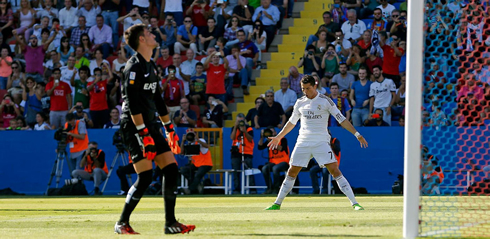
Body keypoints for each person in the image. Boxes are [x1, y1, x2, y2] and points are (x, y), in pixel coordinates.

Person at [114, 23, 195, 235]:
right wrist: (143, 133)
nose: (153, 35)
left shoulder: (150, 65)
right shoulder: (132, 68)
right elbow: (132, 104)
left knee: (170, 168)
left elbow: (158, 100)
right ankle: (122, 222)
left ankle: (170, 223)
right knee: (146, 176)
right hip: (133, 126)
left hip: (149, 124)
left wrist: (169, 129)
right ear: (142, 39)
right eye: (149, 33)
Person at [264, 75, 368, 211]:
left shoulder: (326, 101)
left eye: (308, 88)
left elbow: (341, 119)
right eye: (303, 89)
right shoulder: (300, 102)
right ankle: (277, 203)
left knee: (335, 171)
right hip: (303, 141)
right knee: (291, 172)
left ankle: (355, 203)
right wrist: (279, 136)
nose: (305, 91)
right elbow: (291, 122)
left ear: (315, 86)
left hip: (321, 142)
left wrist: (357, 134)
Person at [179, 129, 213, 195]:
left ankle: (190, 190)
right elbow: (181, 152)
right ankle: (197, 185)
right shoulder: (190, 143)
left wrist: (198, 140)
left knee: (197, 175)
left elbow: (207, 146)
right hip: (196, 164)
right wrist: (183, 141)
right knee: (184, 170)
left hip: (206, 164)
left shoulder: (201, 140)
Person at [258, 127, 290, 194]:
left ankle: (276, 188)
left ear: (275, 132)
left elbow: (281, 148)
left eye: (272, 132)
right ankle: (269, 188)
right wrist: (262, 136)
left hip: (284, 161)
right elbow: (260, 147)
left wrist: (273, 142)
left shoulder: (283, 139)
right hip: (273, 162)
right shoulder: (268, 141)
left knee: (275, 168)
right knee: (264, 168)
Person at [230, 113, 255, 194]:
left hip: (247, 152)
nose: (240, 122)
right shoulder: (234, 128)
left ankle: (252, 189)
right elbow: (232, 137)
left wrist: (244, 131)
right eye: (238, 121)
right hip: (236, 153)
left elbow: (250, 139)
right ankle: (237, 189)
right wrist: (235, 127)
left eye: (241, 121)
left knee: (249, 171)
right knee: (236, 171)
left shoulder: (249, 128)